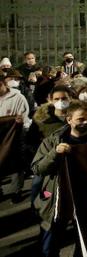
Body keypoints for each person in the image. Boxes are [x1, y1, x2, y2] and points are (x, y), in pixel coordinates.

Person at [32, 100, 87, 257]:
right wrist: (54, 154)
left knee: (85, 245)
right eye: (81, 119)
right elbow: (37, 168)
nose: (86, 122)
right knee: (49, 245)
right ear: (69, 119)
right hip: (57, 198)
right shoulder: (53, 140)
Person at [0, 73, 31, 203]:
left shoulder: (18, 97)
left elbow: (24, 115)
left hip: (14, 135)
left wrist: (17, 121)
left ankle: (16, 190)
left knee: (16, 164)